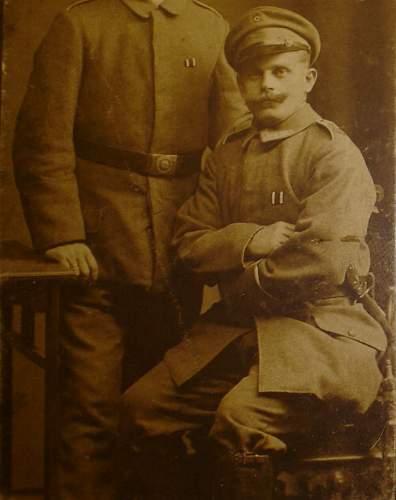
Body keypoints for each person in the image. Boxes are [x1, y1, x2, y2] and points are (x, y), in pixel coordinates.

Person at [120, 5, 387, 499]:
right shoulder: (228, 153)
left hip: (321, 337)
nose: (267, 85)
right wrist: (250, 238)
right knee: (142, 408)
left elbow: (324, 263)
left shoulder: (332, 152)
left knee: (238, 421)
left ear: (307, 79)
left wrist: (240, 280)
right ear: (239, 84)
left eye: (280, 72)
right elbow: (187, 244)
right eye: (254, 74)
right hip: (237, 334)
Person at [12, 0, 248, 498]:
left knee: (157, 413)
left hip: (179, 248)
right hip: (96, 253)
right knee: (89, 410)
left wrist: (221, 235)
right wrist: (63, 235)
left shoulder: (208, 26)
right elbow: (42, 140)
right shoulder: (80, 23)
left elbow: (235, 145)